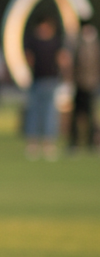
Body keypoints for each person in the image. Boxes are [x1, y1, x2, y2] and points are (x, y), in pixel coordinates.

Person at [24, 15, 66, 160]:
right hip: (37, 80)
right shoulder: (33, 41)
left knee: (50, 114)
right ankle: (33, 144)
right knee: (34, 113)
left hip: (51, 80)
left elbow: (62, 58)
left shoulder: (56, 42)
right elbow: (29, 58)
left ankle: (49, 144)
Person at [69, 22, 100, 151]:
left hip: (91, 84)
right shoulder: (78, 44)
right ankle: (74, 142)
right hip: (80, 84)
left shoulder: (95, 46)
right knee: (77, 114)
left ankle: (92, 142)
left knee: (91, 115)